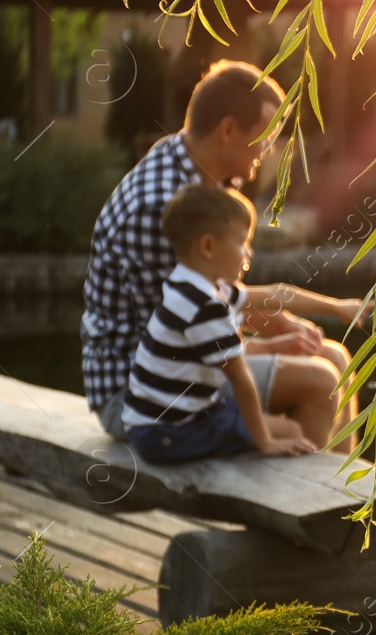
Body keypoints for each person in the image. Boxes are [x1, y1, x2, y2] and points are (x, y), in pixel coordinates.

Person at [83, 59, 365, 449]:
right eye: (264, 138)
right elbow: (180, 334)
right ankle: (304, 504)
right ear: (228, 131)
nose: (268, 151)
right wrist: (270, 345)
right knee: (321, 382)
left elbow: (215, 297)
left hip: (179, 368)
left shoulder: (196, 173)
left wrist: (281, 325)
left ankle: (334, 502)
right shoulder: (159, 209)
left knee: (333, 357)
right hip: (141, 394)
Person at [122, 185, 318, 462]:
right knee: (290, 431)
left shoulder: (190, 282)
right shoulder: (205, 306)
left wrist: (337, 308)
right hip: (167, 433)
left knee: (280, 426)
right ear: (208, 246)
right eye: (242, 242)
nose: (248, 253)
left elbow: (276, 294)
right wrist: (264, 443)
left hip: (152, 422)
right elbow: (241, 380)